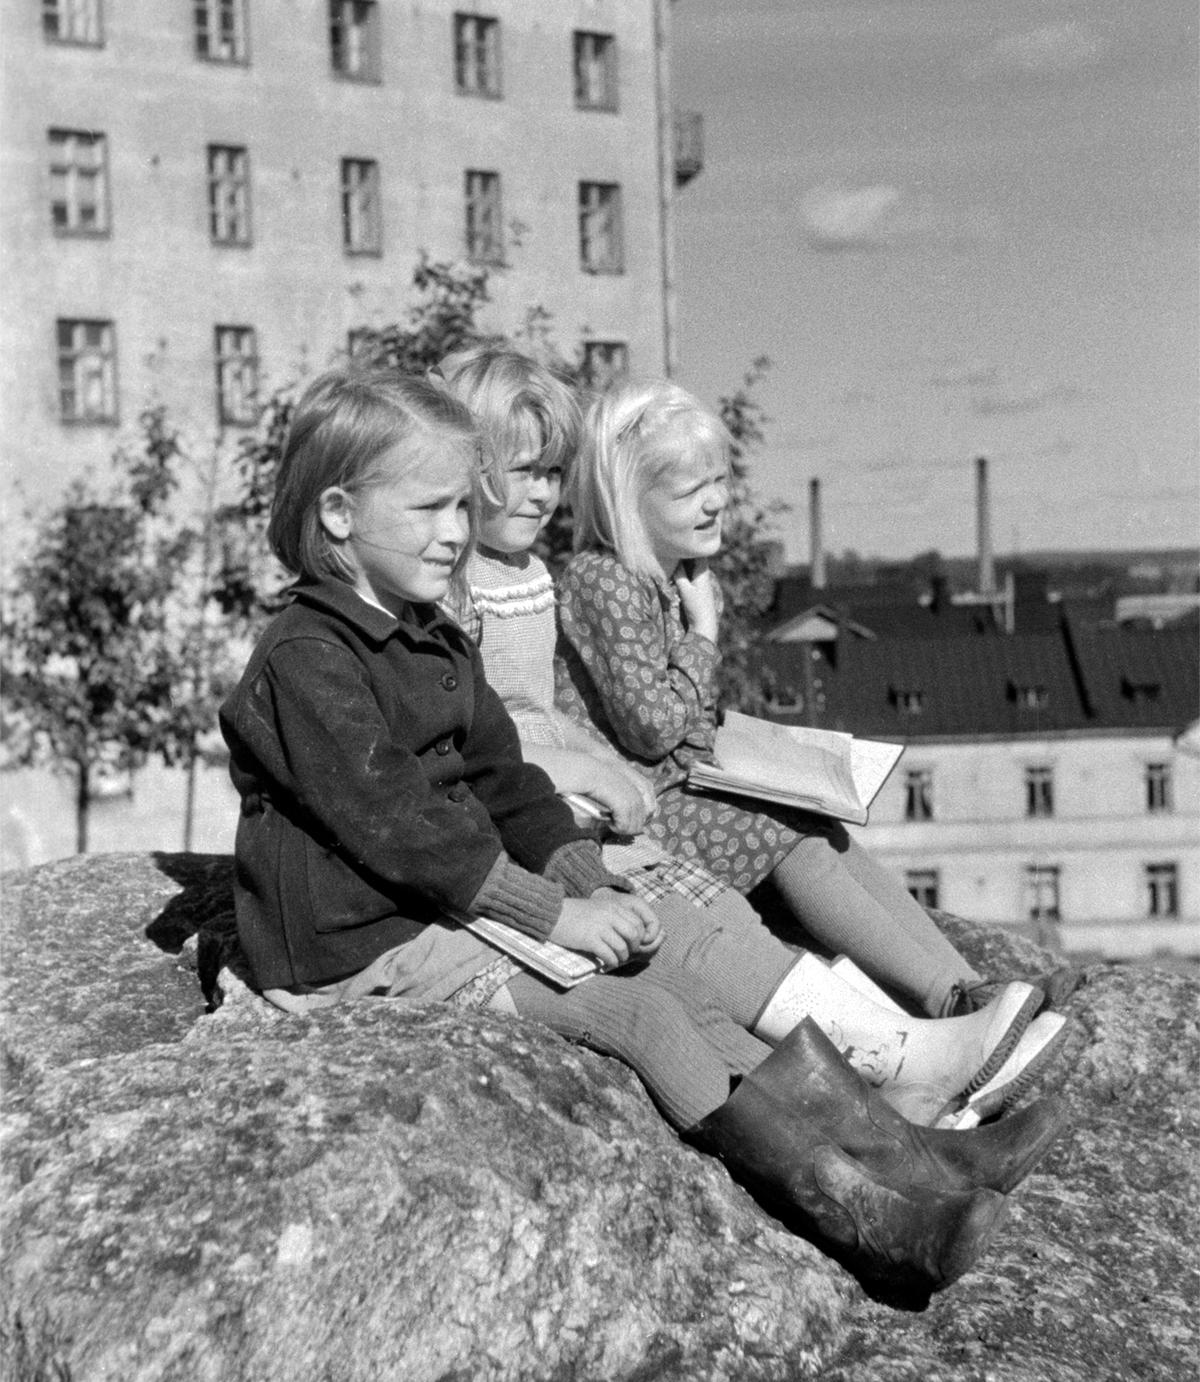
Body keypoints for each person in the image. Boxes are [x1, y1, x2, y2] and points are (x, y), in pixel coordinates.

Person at [219, 364, 1068, 1295]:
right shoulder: (306, 658)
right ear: (339, 515)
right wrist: (552, 916)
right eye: (429, 509)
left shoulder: (426, 633)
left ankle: (916, 1159)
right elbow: (403, 828)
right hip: (366, 952)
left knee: (683, 980)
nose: (456, 532)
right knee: (641, 1013)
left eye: (464, 506)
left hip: (432, 913)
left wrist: (584, 876)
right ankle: (862, 1216)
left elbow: (506, 782)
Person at [557, 378, 1079, 1035]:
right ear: (626, 498)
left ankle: (967, 987)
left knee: (821, 828)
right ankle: (948, 1002)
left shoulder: (667, 580)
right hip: (629, 815)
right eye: (692, 491)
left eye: (720, 481)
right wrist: (705, 637)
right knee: (787, 836)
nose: (716, 502)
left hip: (668, 788)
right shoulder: (606, 581)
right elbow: (654, 727)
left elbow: (681, 729)